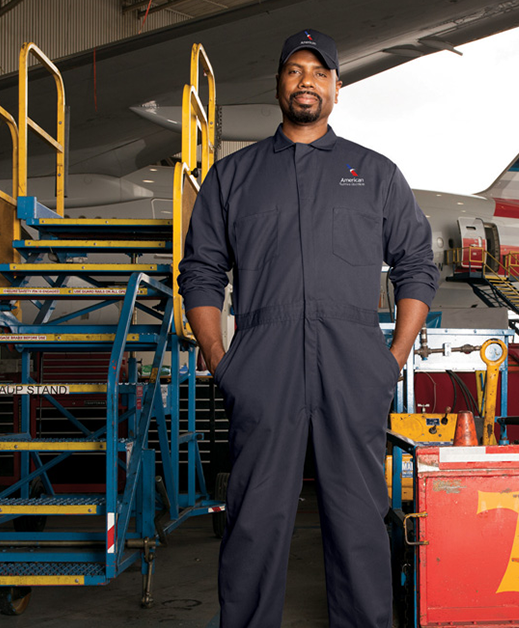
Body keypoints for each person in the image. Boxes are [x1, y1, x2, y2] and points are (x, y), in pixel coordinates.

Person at [177, 28, 438, 628]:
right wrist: (220, 355)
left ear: (337, 89)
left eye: (319, 73)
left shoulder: (373, 173)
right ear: (279, 84)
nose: (306, 82)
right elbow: (201, 271)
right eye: (295, 71)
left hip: (353, 362)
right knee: (254, 518)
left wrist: (392, 357)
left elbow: (416, 266)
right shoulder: (233, 176)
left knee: (359, 519)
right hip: (263, 360)